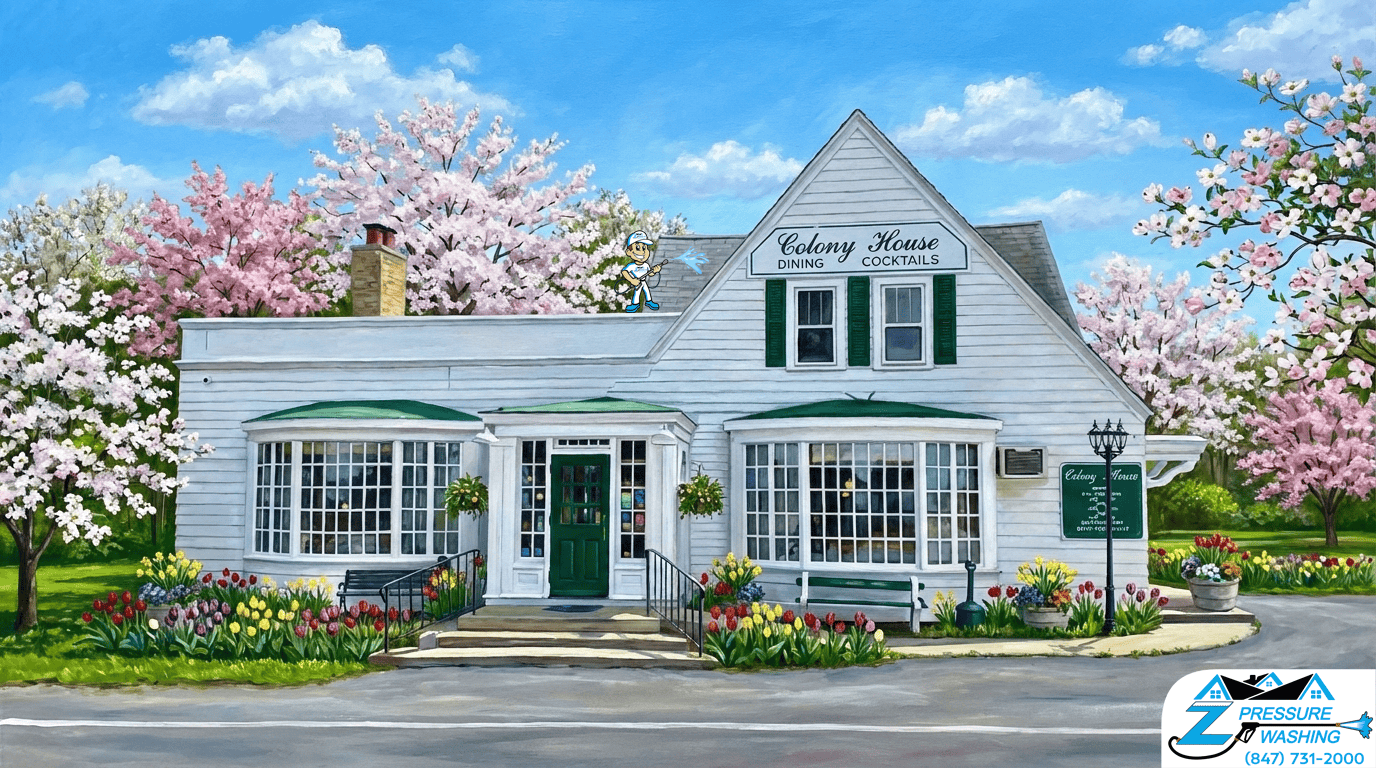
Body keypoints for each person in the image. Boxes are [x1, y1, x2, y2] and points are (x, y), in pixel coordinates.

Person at [620, 230, 662, 313]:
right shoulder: (632, 266)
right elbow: (624, 272)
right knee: (637, 293)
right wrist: (632, 280)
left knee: (647, 291)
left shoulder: (646, 265)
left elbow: (650, 273)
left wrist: (655, 271)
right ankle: (635, 304)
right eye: (637, 248)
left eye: (644, 248)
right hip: (637, 282)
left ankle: (649, 301)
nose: (642, 252)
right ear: (629, 252)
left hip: (643, 281)